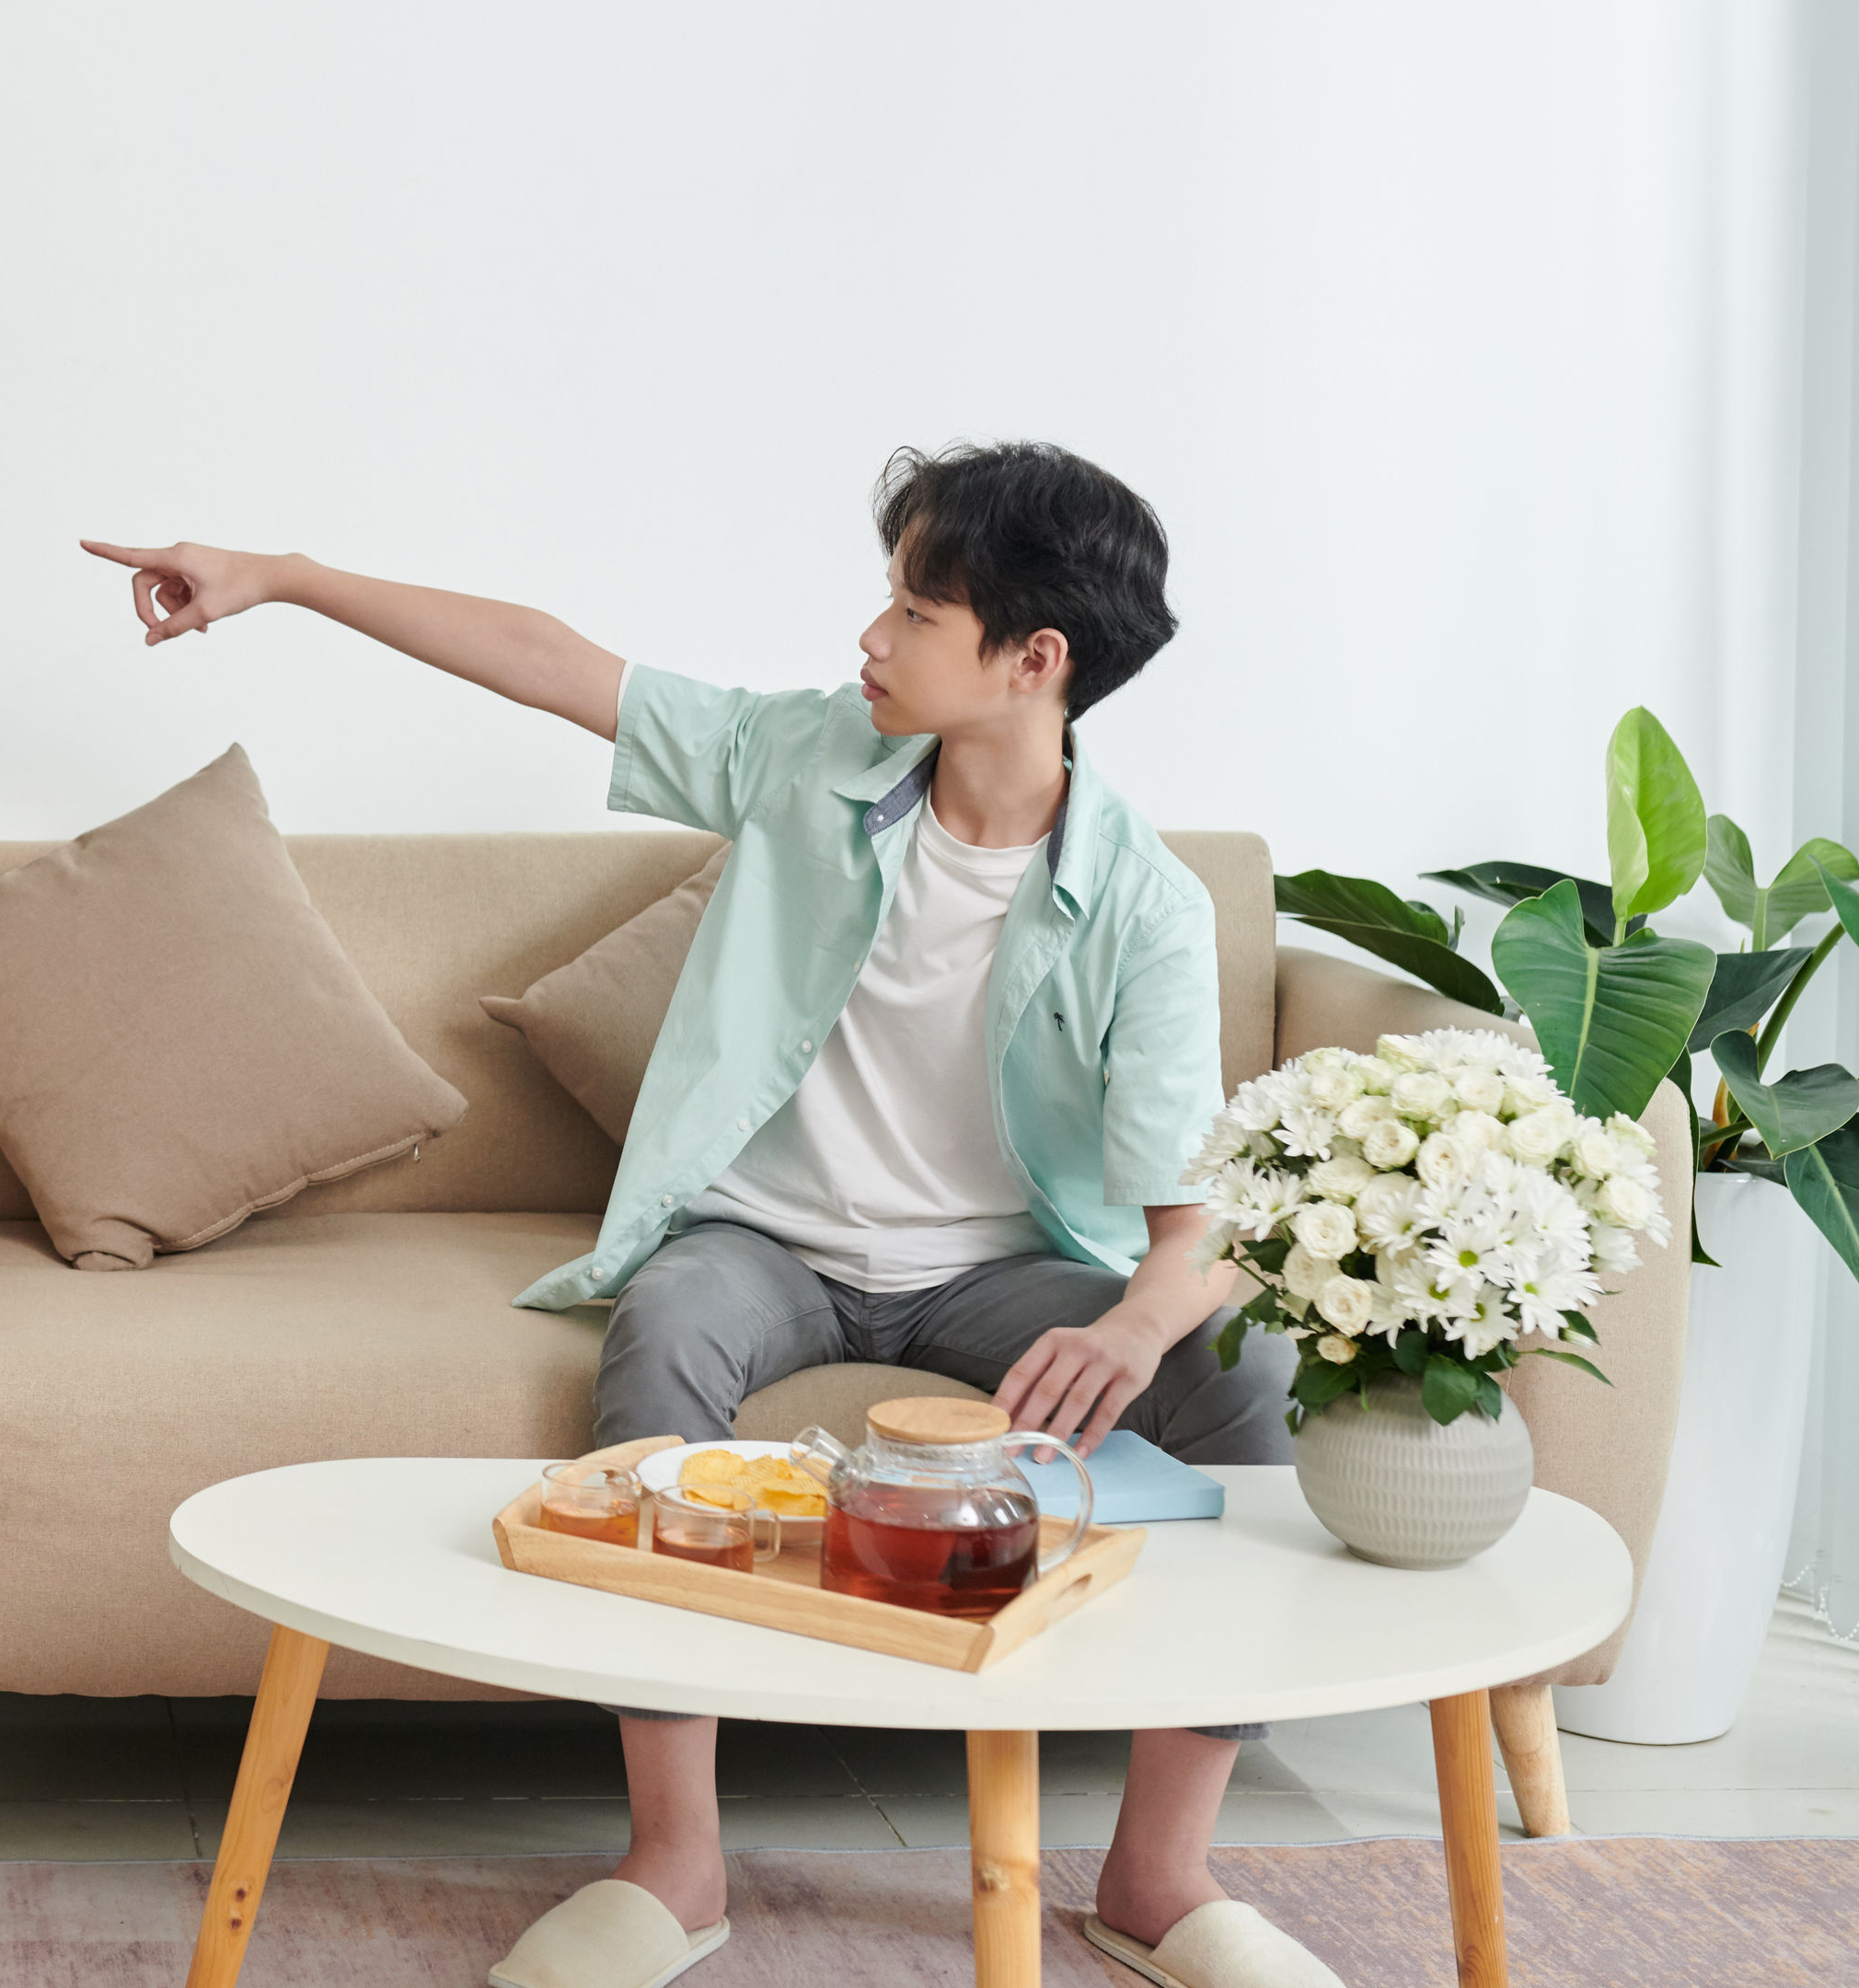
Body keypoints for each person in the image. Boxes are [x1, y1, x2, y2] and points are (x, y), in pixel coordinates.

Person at [86, 444, 1340, 1988]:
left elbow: (1183, 1217)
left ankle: (1158, 1876)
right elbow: (558, 665)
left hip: (1002, 1271)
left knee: (1243, 1377)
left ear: (1035, 659)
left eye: (913, 611)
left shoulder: (1145, 901)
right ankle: (674, 1865)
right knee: (666, 1340)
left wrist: (1148, 1318)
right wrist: (282, 575)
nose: (870, 639)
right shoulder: (806, 759)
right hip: (763, 1244)